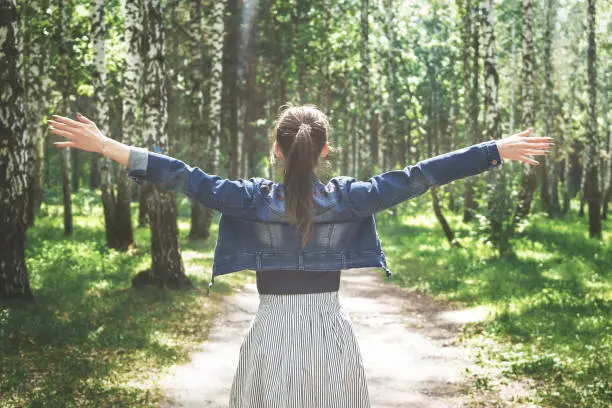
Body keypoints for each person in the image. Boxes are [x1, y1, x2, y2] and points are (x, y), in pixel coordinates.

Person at [48, 105, 552, 407]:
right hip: (328, 332)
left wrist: (107, 145)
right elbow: (421, 175)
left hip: (271, 332)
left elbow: (184, 176)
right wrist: (493, 150)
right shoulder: (351, 197)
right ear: (325, 151)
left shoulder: (249, 198)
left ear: (276, 149)